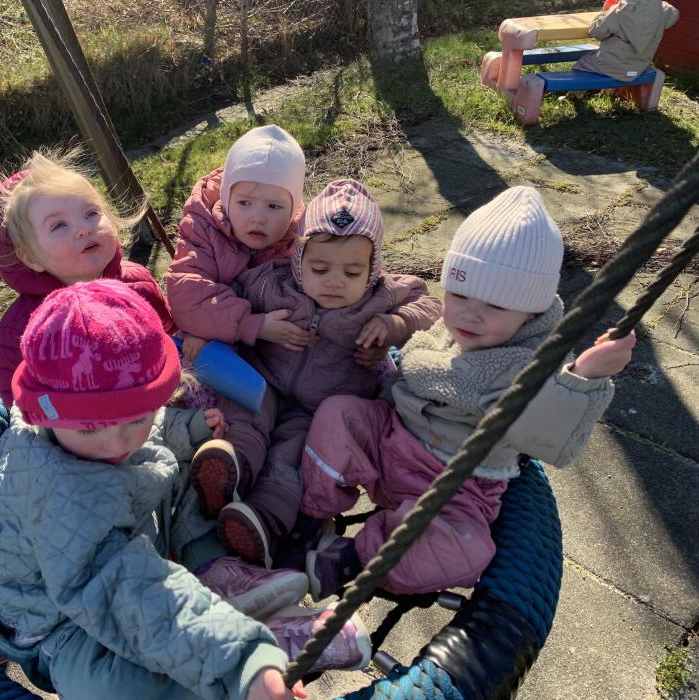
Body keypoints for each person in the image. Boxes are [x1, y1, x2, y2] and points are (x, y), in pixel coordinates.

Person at [0, 280, 372, 700]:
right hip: (60, 624)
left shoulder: (98, 426)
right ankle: (255, 655)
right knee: (115, 690)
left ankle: (213, 571)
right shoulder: (56, 491)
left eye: (135, 418)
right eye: (90, 429)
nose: (117, 443)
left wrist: (189, 430)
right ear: (42, 415)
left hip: (135, 553)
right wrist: (242, 659)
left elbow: (152, 426)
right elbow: (126, 591)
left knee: (180, 468)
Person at [289, 186, 636, 600]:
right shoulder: (452, 329)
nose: (471, 314)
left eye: (496, 306)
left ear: (531, 312)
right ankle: (311, 516)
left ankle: (354, 558)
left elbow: (545, 435)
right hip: (391, 442)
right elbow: (404, 377)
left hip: (455, 489)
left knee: (466, 552)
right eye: (460, 294)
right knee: (339, 413)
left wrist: (584, 376)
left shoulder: (533, 362)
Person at [189, 179, 441, 570]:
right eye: (320, 268)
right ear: (298, 260)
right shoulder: (274, 282)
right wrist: (245, 325)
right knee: (244, 416)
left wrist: (394, 324)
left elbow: (430, 305)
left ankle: (262, 523)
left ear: (372, 270)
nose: (335, 281)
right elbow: (227, 298)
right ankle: (228, 472)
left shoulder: (381, 296)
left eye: (352, 272)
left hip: (320, 410)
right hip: (263, 383)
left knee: (291, 459)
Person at [166, 124, 390, 373]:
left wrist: (380, 330)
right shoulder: (202, 228)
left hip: (279, 348)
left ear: (292, 208)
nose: (258, 217)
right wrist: (253, 325)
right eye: (245, 203)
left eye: (274, 206)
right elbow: (187, 296)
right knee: (197, 353)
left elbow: (355, 273)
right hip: (222, 333)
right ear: (227, 198)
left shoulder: (302, 235)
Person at [0, 149, 175, 408]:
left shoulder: (137, 284)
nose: (84, 229)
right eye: (59, 225)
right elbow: (22, 407)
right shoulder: (20, 332)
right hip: (80, 428)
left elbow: (171, 343)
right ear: (30, 257)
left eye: (91, 213)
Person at [573, 0, 679, 82]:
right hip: (639, 67)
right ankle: (608, 91)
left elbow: (596, 32)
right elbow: (674, 13)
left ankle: (576, 95)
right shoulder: (663, 13)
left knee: (581, 64)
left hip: (610, 66)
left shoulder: (619, 11)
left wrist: (605, 13)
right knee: (616, 65)